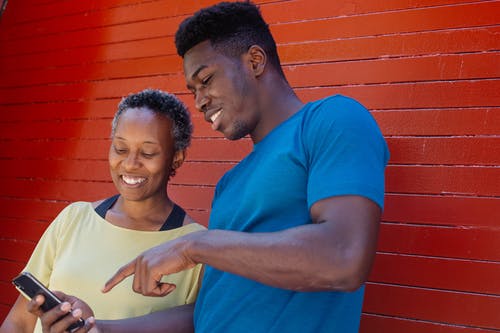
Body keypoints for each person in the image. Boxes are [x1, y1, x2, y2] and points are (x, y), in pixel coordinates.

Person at [26, 1, 389, 332]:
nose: (199, 100)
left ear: (255, 61)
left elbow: (344, 257)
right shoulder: (230, 184)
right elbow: (209, 312)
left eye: (206, 79)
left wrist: (193, 246)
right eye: (192, 89)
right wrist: (99, 328)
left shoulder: (332, 119)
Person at [0, 89, 205, 333]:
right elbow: (19, 321)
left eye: (148, 152)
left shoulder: (194, 248)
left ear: (177, 158)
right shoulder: (72, 219)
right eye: (120, 148)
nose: (130, 163)